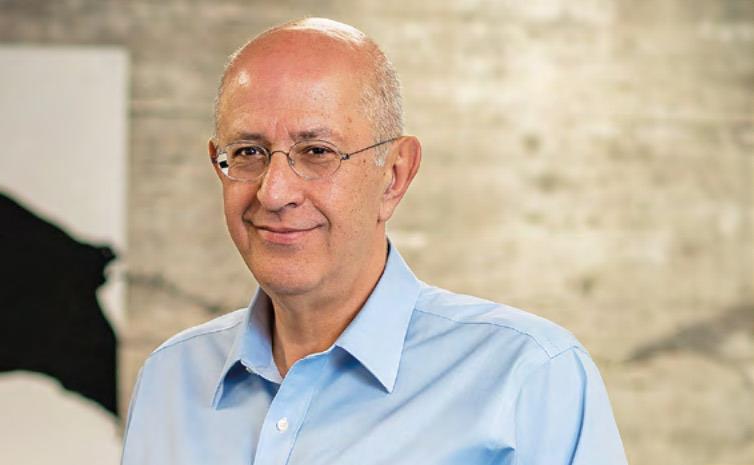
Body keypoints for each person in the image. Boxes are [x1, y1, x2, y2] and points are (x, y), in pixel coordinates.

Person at [121, 17, 628, 465]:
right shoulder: (171, 379)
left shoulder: (528, 377)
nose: (274, 192)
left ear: (395, 175)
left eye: (317, 151)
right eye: (248, 152)